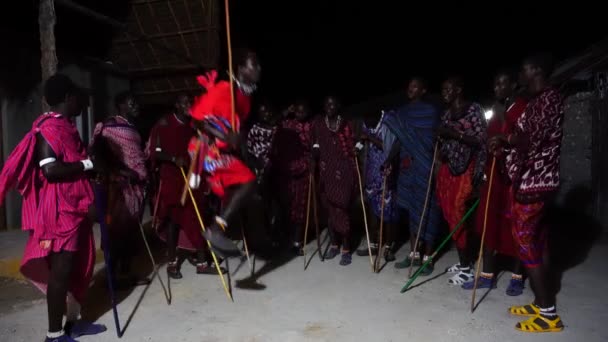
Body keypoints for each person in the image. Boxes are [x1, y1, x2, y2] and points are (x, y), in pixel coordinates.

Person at [0, 74, 106, 342]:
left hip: (77, 205)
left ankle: (73, 322)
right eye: (78, 96)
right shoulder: (48, 129)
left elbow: (77, 165)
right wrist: (89, 165)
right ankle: (54, 334)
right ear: (68, 98)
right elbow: (50, 170)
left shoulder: (68, 127)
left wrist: (91, 172)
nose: (82, 100)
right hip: (60, 211)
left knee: (79, 264)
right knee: (61, 271)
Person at [489, 54, 564, 332]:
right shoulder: (536, 100)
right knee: (539, 243)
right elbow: (521, 142)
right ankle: (540, 302)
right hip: (528, 180)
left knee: (526, 245)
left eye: (522, 69)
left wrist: (505, 139)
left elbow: (531, 137)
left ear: (535, 70)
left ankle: (548, 315)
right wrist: (505, 147)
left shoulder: (549, 99)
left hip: (535, 183)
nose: (519, 75)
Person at [187, 48, 261, 257]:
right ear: (239, 69)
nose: (258, 69)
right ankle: (215, 231)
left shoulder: (245, 97)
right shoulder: (224, 88)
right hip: (206, 149)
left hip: (224, 151)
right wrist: (227, 135)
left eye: (258, 64)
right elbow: (197, 121)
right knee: (247, 182)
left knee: (247, 184)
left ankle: (219, 232)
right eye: (253, 64)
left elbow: (238, 130)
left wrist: (246, 155)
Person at [462, 70, 527, 295]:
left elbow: (523, 141)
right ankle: (487, 275)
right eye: (495, 85)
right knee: (489, 221)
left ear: (514, 84)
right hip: (494, 174)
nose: (497, 88)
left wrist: (502, 140)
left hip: (513, 177)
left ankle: (518, 276)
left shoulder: (520, 108)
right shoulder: (496, 109)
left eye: (502, 83)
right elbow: (487, 139)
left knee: (515, 224)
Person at [147, 93, 225, 278]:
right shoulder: (164, 124)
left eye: (191, 102)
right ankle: (172, 261)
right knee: (174, 220)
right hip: (173, 178)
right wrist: (174, 159)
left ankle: (201, 262)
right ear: (176, 105)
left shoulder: (194, 126)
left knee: (197, 218)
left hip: (192, 178)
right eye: (184, 102)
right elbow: (155, 152)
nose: (188, 105)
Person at [90, 92, 149, 288]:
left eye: (136, 102)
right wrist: (122, 171)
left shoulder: (134, 128)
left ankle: (126, 272)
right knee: (116, 232)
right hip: (119, 188)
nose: (136, 106)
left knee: (131, 232)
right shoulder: (109, 126)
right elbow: (98, 155)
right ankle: (111, 277)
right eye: (132, 102)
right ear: (120, 105)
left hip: (137, 187)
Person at [385, 78, 442, 275]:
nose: (411, 89)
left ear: (424, 90)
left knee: (428, 208)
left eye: (415, 86)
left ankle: (428, 256)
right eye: (409, 86)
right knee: (411, 209)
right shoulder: (401, 113)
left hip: (425, 165)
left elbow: (434, 139)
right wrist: (388, 160)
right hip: (407, 167)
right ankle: (413, 254)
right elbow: (400, 141)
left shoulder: (430, 111)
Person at [436, 77, 487, 285]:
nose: (445, 92)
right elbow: (445, 141)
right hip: (450, 168)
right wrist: (441, 140)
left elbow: (481, 139)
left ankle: (466, 268)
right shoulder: (447, 114)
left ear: (459, 89)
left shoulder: (473, 110)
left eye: (449, 88)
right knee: (449, 213)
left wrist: (453, 134)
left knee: (458, 212)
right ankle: (462, 261)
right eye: (443, 89)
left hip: (467, 168)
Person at [312, 96, 359, 266]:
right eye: (327, 104)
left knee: (342, 209)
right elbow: (315, 143)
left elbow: (357, 142)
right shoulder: (318, 124)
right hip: (326, 172)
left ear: (338, 106)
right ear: (324, 106)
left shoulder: (346, 124)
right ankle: (334, 244)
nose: (330, 106)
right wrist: (314, 155)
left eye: (333, 104)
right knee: (330, 211)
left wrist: (356, 150)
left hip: (344, 172)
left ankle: (346, 248)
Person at [355, 110, 399, 262]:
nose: (366, 123)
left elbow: (389, 146)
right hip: (371, 174)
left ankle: (388, 246)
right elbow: (362, 139)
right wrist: (358, 147)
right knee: (372, 210)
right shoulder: (367, 122)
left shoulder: (388, 121)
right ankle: (374, 244)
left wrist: (370, 138)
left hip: (386, 172)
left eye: (368, 119)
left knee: (388, 212)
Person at [274, 101, 313, 255]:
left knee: (299, 208)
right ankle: (285, 239)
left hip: (302, 171)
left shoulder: (311, 126)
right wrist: (285, 111)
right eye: (297, 111)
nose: (300, 114)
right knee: (286, 207)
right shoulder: (287, 124)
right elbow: (274, 123)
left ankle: (297, 242)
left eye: (303, 111)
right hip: (286, 171)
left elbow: (314, 146)